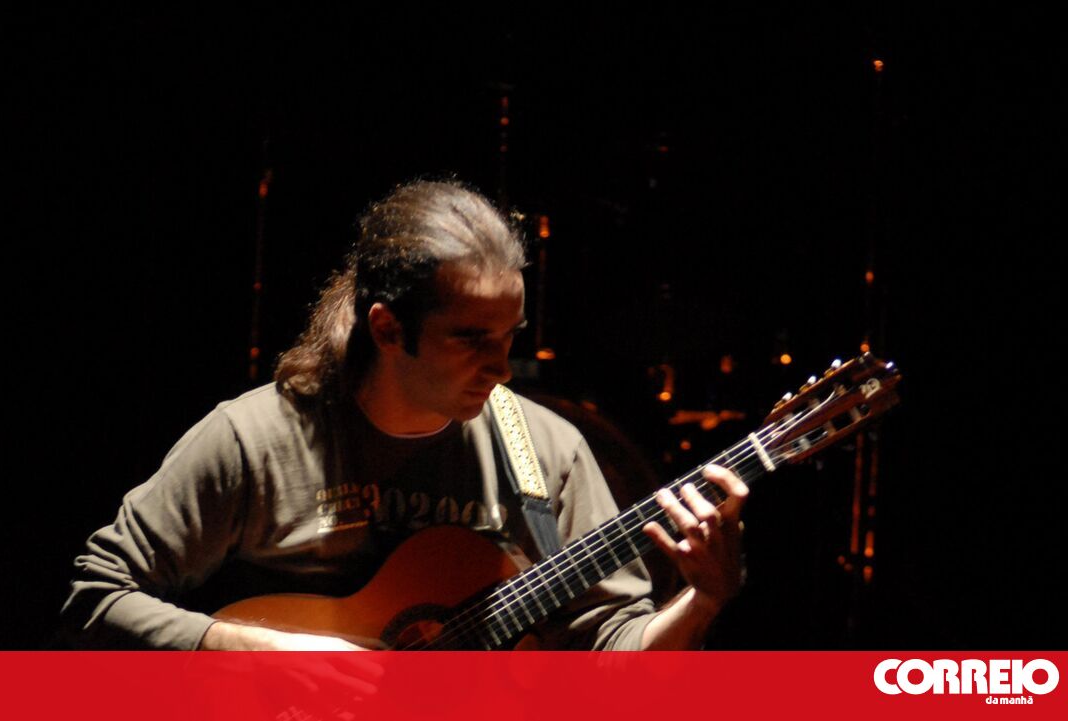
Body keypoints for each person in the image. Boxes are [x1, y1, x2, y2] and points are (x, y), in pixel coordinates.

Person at [61, 180, 747, 651]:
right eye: (470, 340)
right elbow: (95, 597)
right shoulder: (256, 439)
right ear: (388, 329)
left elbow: (614, 657)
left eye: (509, 336)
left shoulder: (546, 451)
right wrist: (254, 649)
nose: (502, 367)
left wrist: (702, 601)